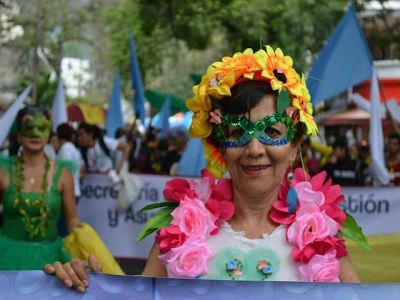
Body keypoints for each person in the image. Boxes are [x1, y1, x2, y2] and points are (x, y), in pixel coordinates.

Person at [45, 46, 361, 287]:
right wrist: (92, 285)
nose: (254, 149)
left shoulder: (319, 236)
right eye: (237, 133)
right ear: (220, 147)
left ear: (295, 148)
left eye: (272, 133)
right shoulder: (180, 231)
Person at [0, 107, 81, 270]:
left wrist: (84, 237)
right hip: (6, 255)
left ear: (49, 134)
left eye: (42, 127)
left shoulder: (63, 173)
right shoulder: (3, 170)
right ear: (18, 135)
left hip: (50, 258)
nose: (35, 133)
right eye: (28, 127)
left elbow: (71, 219)